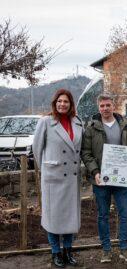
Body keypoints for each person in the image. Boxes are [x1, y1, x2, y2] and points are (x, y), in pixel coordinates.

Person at [81, 94, 127, 263]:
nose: (105, 108)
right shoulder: (91, 128)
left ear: (114, 106)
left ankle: (124, 248)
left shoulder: (125, 126)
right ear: (99, 108)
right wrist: (95, 171)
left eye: (108, 105)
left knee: (125, 214)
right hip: (101, 179)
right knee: (103, 215)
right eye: (102, 106)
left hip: (121, 178)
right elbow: (86, 153)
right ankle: (106, 249)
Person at [33, 89, 83, 268]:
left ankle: (68, 251)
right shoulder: (46, 122)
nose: (62, 104)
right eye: (59, 101)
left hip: (71, 178)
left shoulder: (77, 122)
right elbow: (37, 150)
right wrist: (47, 168)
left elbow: (80, 149)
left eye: (66, 102)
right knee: (53, 218)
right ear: (54, 103)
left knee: (69, 218)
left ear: (71, 104)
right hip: (53, 179)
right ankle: (55, 252)